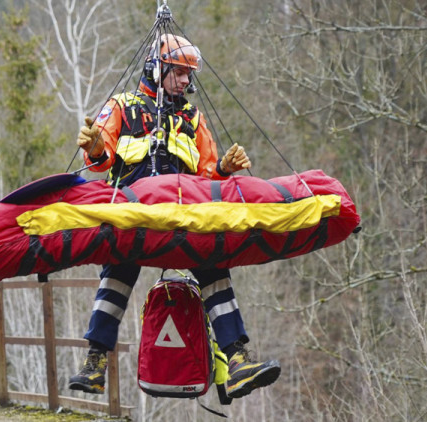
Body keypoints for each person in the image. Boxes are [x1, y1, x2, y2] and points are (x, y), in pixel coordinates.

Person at [69, 34, 281, 399]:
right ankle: (95, 363)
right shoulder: (122, 106)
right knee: (117, 274)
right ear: (156, 67)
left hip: (181, 218)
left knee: (214, 265)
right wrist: (94, 146)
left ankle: (238, 362)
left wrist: (225, 169)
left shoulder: (192, 119)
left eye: (188, 74)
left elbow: (207, 175)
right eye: (179, 72)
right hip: (135, 213)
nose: (186, 81)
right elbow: (98, 162)